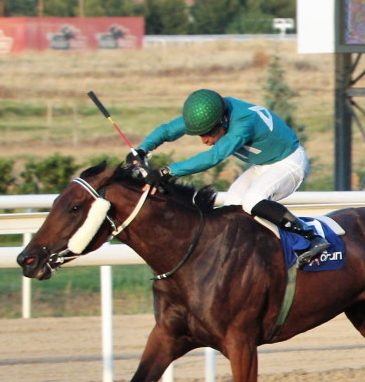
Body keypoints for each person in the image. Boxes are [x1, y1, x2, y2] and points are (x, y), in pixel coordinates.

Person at [129, 88, 330, 267]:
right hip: (264, 164)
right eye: (200, 135)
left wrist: (167, 172)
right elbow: (166, 130)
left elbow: (214, 156)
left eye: (209, 134)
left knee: (253, 201)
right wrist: (142, 149)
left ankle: (310, 237)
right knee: (232, 205)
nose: (205, 140)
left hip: (291, 162)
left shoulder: (243, 123)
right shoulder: (210, 112)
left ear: (224, 121)